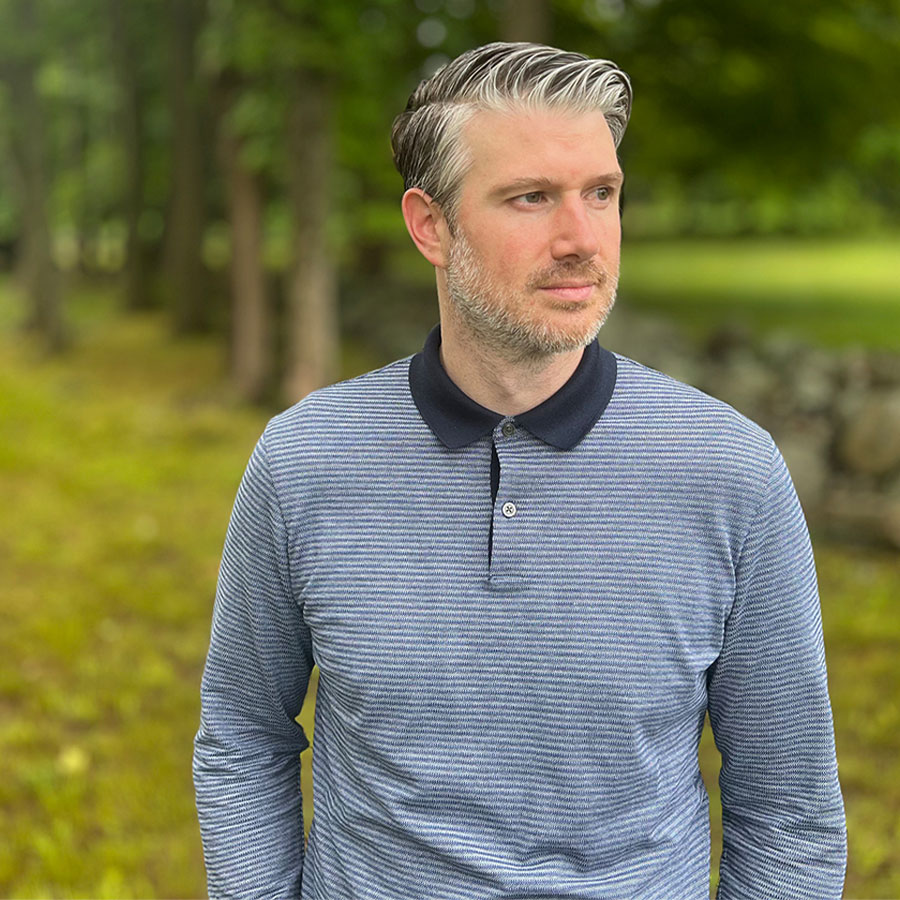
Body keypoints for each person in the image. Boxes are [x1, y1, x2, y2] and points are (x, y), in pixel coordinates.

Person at [193, 42, 846, 899]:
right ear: (431, 224)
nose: (581, 239)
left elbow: (790, 809)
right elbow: (242, 736)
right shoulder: (304, 462)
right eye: (532, 197)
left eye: (601, 194)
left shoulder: (730, 473)